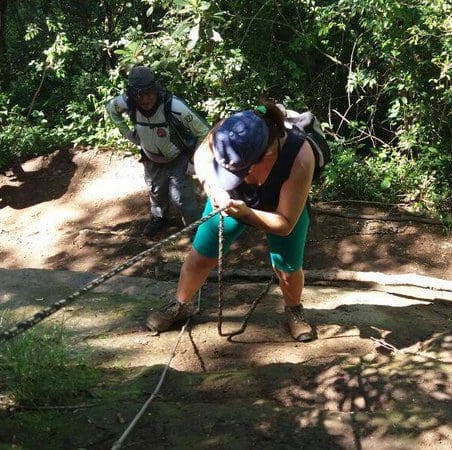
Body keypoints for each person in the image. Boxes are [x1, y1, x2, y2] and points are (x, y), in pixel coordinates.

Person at [146, 102, 317, 342]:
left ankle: (294, 309)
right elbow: (202, 156)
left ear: (266, 154)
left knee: (287, 267)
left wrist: (245, 214)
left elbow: (285, 223)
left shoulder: (299, 157)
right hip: (231, 199)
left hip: (280, 204)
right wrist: (214, 188)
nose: (239, 176)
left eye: (241, 171)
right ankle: (181, 304)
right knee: (200, 257)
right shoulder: (230, 130)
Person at [105, 66, 209, 237]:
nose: (145, 99)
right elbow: (111, 109)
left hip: (178, 158)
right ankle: (158, 219)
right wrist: (129, 135)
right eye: (139, 95)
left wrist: (193, 161)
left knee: (182, 198)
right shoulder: (127, 102)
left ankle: (196, 230)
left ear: (156, 89)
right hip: (150, 158)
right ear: (132, 94)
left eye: (148, 93)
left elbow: (204, 130)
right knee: (155, 191)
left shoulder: (173, 105)